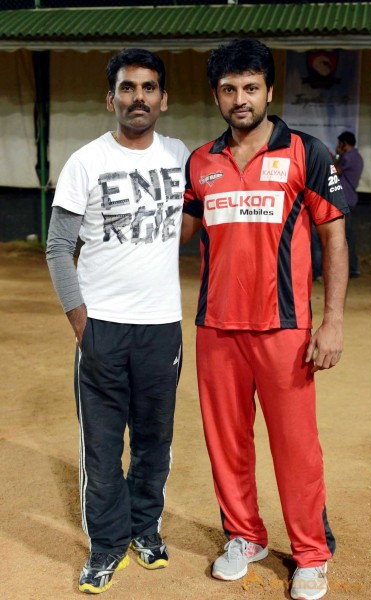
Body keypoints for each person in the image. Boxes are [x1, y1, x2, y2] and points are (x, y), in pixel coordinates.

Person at [181, 39, 349, 600]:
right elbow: (177, 235)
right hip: (217, 329)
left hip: (285, 329)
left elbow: (334, 237)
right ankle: (245, 536)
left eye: (250, 87)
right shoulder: (200, 162)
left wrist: (333, 322)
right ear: (216, 96)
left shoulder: (306, 151)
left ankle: (310, 554)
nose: (240, 99)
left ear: (269, 91)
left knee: (296, 447)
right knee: (226, 443)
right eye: (229, 90)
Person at [46, 48, 189, 594]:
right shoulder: (86, 162)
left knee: (155, 439)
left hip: (162, 328)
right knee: (103, 447)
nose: (138, 98)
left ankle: (144, 530)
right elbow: (59, 247)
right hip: (102, 326)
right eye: (127, 89)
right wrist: (83, 325)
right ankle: (107, 546)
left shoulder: (179, 155)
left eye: (149, 88)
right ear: (111, 99)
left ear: (163, 99)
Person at [335, 131, 364, 278]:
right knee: (346, 236)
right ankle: (351, 268)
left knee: (346, 236)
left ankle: (352, 269)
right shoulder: (356, 157)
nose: (337, 146)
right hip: (349, 199)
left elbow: (335, 170)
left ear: (344, 144)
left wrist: (336, 155)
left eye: (339, 144)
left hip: (344, 200)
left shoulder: (348, 157)